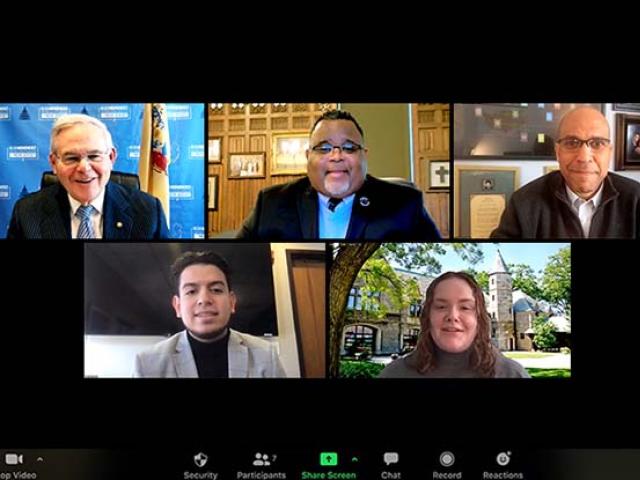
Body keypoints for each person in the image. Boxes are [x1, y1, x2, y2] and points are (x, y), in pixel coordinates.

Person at [236, 109, 441, 240]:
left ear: (364, 156)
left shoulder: (405, 204)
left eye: (349, 147)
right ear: (308, 157)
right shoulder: (272, 203)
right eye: (324, 148)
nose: (336, 156)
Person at [7, 114, 169, 239]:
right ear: (54, 163)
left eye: (94, 156)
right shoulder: (27, 213)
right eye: (71, 158)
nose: (84, 168)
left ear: (111, 158)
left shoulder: (147, 212)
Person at [491, 106, 640, 238]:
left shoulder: (636, 199)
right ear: (557, 152)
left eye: (597, 143)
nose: (584, 157)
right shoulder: (523, 203)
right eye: (572, 143)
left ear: (609, 152)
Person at [133, 251, 286, 378]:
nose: (204, 300)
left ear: (232, 302)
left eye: (216, 290)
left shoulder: (266, 356)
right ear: (177, 306)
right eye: (191, 291)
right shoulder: (147, 363)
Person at [379, 272, 530, 378]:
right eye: (441, 306)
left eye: (465, 307)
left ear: (480, 318)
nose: (452, 316)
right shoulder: (394, 373)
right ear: (427, 316)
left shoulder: (512, 373)